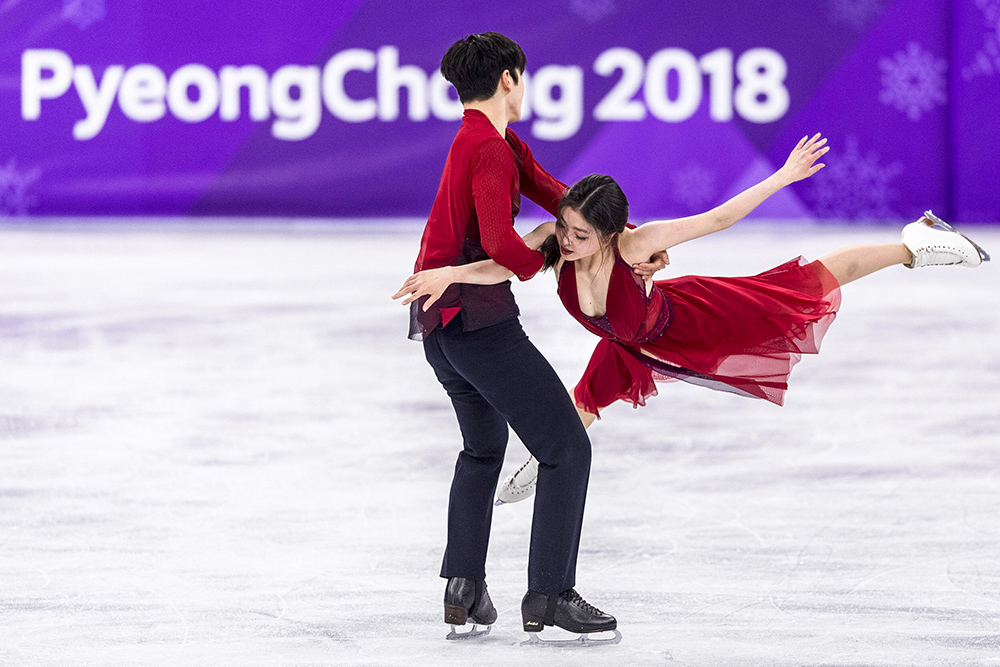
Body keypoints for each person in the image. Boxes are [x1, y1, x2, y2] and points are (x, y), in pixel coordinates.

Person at [394, 133, 990, 503]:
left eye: (581, 234)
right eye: (566, 227)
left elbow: (715, 220)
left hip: (690, 319)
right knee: (590, 394)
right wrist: (450, 274)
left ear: (610, 233)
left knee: (805, 288)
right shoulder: (554, 238)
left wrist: (781, 176)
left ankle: (914, 243)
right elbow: (504, 265)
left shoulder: (634, 245)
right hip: (628, 342)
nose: (568, 241)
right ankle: (545, 460)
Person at [408, 32, 664, 643]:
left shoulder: (490, 141)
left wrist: (621, 238)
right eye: (523, 78)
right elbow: (503, 244)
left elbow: (557, 193)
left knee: (482, 450)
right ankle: (549, 593)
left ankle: (463, 591)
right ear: (508, 79)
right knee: (566, 447)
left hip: (440, 329)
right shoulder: (489, 150)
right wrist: (546, 252)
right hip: (479, 325)